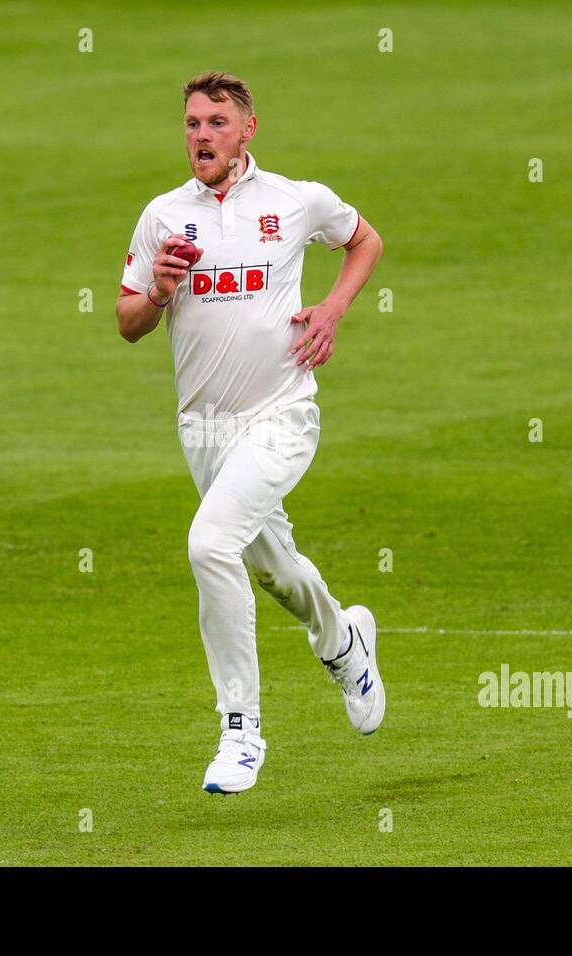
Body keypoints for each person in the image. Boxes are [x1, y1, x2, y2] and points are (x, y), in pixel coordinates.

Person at [116, 71, 386, 793]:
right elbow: (128, 323)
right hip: (204, 430)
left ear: (246, 131)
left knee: (209, 544)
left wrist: (331, 309)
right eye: (192, 123)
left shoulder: (295, 202)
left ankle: (241, 730)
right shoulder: (164, 217)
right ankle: (345, 643)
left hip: (282, 415)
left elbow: (364, 241)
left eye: (214, 122)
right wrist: (160, 292)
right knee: (271, 568)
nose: (200, 135)